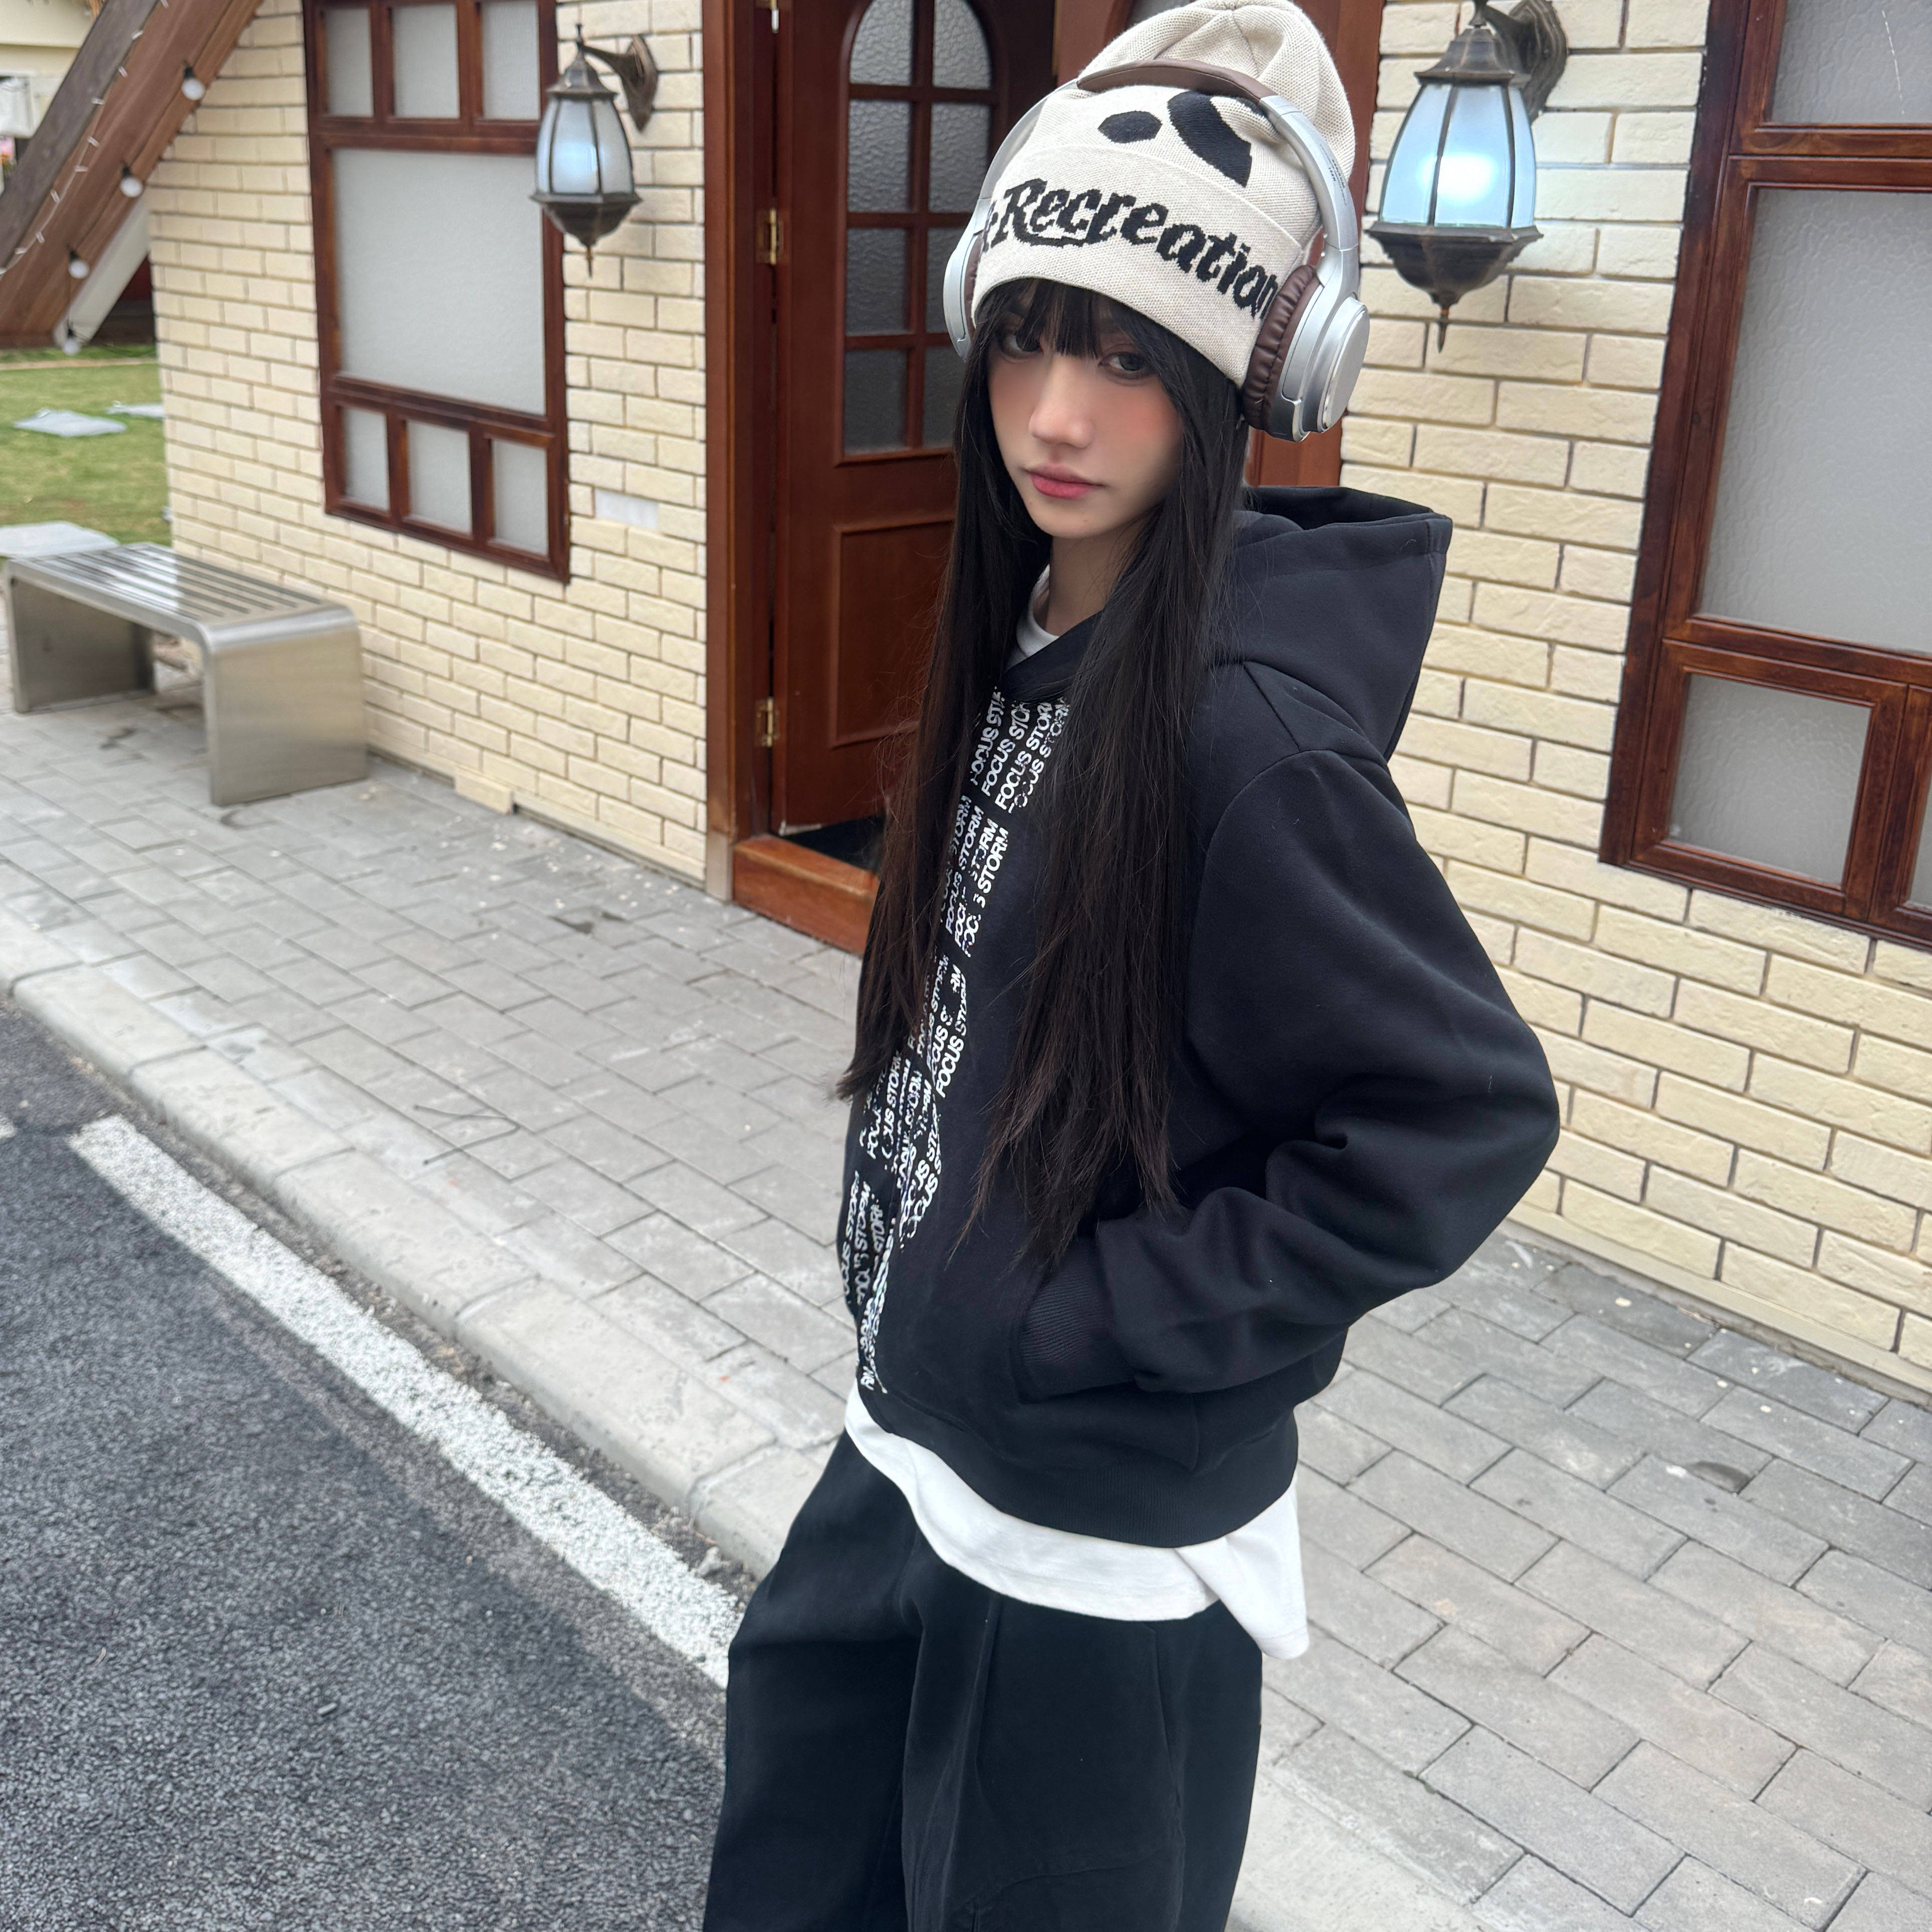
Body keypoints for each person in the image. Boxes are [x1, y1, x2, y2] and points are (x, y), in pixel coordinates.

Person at [701, 4, 1560, 1927]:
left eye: (1128, 359)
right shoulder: (1025, 633)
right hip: (913, 1446)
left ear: (1243, 385)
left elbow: (1459, 1117)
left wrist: (1085, 1328)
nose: (1057, 417)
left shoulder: (1247, 741)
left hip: (1086, 1558)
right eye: (1028, 340)